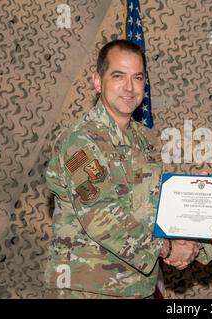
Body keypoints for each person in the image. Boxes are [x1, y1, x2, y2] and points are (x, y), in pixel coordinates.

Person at [44, 40, 200, 298]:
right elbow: (102, 216)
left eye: (137, 78)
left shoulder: (147, 140)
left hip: (137, 287)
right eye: (118, 76)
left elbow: (157, 205)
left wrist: (194, 198)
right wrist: (168, 249)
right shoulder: (81, 140)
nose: (129, 87)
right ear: (97, 81)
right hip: (88, 288)